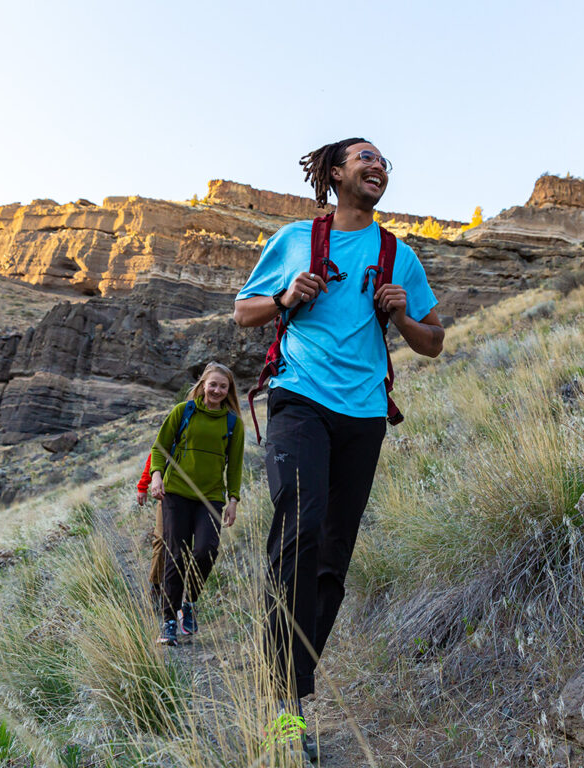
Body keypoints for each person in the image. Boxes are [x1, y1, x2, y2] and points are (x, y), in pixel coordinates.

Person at [233, 138, 444, 752]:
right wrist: (284, 299)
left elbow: (433, 340)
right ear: (333, 172)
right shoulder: (296, 238)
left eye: (384, 161)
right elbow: (243, 313)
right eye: (364, 157)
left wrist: (404, 319)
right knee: (301, 524)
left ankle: (290, 690)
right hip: (298, 398)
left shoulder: (399, 256)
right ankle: (278, 692)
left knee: (331, 561)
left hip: (364, 415)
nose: (377, 165)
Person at [149, 362, 245, 646]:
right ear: (203, 384)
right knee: (175, 555)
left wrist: (233, 500)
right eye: (212, 384)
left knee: (205, 551)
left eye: (223, 386)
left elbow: (236, 465)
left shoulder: (232, 423)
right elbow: (159, 447)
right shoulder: (183, 411)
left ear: (228, 391)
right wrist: (156, 477)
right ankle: (168, 622)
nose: (216, 390)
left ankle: (187, 603)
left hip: (211, 497)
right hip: (176, 493)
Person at [136, 454, 165, 597]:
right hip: (168, 494)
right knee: (162, 538)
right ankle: (156, 585)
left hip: (200, 496)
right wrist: (143, 485)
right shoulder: (174, 431)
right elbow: (156, 455)